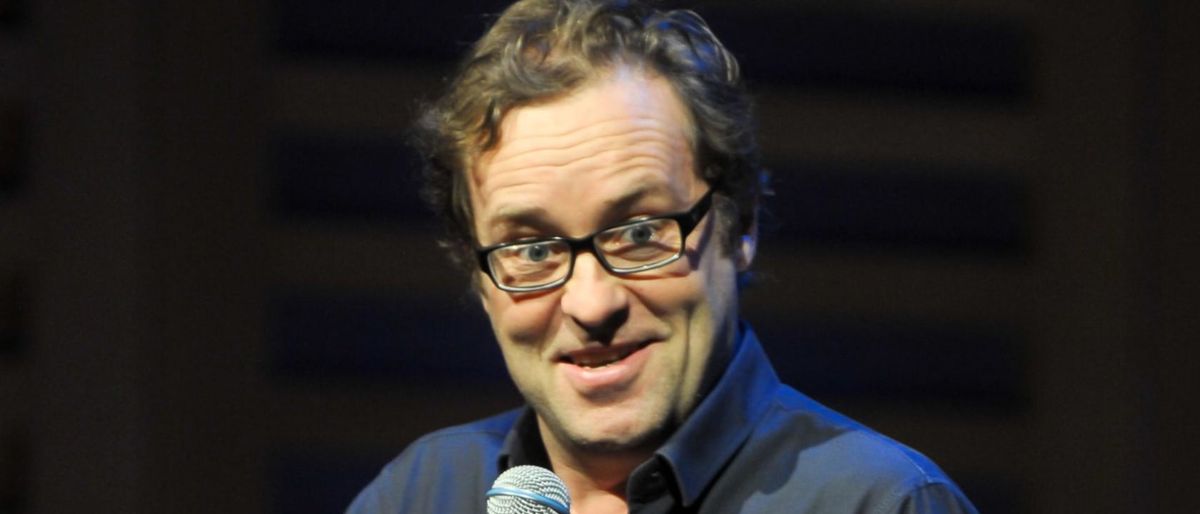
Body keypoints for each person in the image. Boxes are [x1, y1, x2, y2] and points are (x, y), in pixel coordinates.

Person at [348, 0, 979, 512]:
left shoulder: (878, 502)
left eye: (639, 233)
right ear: (478, 275)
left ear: (740, 226)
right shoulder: (419, 496)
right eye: (533, 248)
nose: (592, 304)